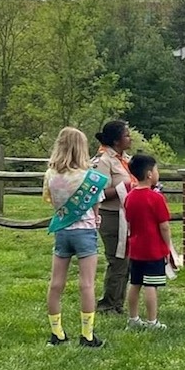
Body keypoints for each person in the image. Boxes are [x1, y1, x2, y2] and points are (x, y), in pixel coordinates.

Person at [43, 127, 109, 347]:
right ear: (81, 148)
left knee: (56, 284)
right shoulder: (91, 177)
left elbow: (53, 202)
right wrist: (96, 218)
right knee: (87, 284)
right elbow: (97, 205)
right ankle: (87, 335)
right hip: (85, 231)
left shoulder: (51, 174)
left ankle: (57, 333)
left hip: (63, 231)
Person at [124, 154, 179, 330]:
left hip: (136, 248)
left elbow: (129, 219)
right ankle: (152, 321)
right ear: (149, 174)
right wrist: (168, 245)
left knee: (135, 283)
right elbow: (164, 226)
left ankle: (133, 319)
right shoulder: (156, 198)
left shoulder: (130, 196)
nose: (157, 173)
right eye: (156, 170)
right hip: (153, 249)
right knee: (151, 285)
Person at [92, 119, 134, 314]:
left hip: (127, 215)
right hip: (111, 215)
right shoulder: (104, 160)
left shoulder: (124, 159)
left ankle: (118, 304)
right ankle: (107, 304)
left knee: (126, 260)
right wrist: (122, 188)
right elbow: (97, 192)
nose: (130, 137)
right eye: (126, 135)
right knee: (117, 259)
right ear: (117, 140)